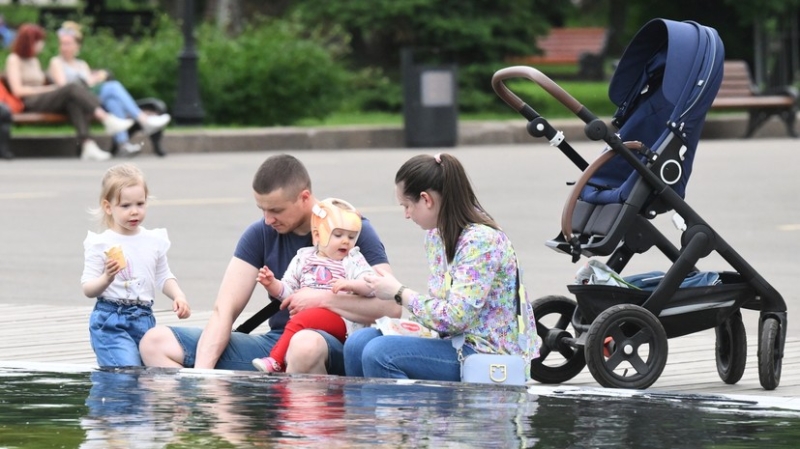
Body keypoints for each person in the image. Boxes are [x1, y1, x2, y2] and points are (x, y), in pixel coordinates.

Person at [139, 154, 400, 374]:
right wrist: (203, 378)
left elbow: (392, 306)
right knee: (155, 342)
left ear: (304, 197)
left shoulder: (350, 231)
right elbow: (223, 311)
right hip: (277, 345)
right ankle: (211, 407)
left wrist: (322, 299)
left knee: (304, 344)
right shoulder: (260, 234)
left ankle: (307, 419)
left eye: (275, 210)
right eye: (262, 209)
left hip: (337, 342)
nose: (267, 220)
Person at [344, 153, 540, 381]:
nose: (406, 214)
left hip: (485, 353)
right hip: (452, 340)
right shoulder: (437, 235)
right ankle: (371, 406)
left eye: (407, 205)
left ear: (426, 200)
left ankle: (408, 405)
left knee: (379, 353)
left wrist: (399, 293)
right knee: (358, 343)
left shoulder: (480, 241)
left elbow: (456, 317)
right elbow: (442, 309)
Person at [81, 163, 191, 367]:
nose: (134, 212)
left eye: (140, 204)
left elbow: (163, 275)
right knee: (126, 370)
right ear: (108, 207)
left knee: (145, 376)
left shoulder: (153, 240)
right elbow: (88, 288)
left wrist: (178, 295)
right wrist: (106, 278)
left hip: (144, 319)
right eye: (125, 206)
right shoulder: (100, 243)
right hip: (111, 320)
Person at [251, 197, 375, 373]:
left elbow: (371, 286)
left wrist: (351, 285)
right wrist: (272, 284)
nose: (346, 241)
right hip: (308, 320)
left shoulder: (353, 259)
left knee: (301, 320)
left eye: (351, 236)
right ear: (317, 235)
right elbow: (289, 294)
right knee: (301, 323)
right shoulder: (303, 258)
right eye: (338, 235)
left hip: (340, 320)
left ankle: (276, 360)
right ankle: (287, 377)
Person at [4, 23, 134, 161]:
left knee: (73, 101)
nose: (42, 44)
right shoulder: (14, 59)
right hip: (30, 102)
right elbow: (18, 91)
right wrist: (49, 89)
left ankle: (87, 145)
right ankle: (105, 118)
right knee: (71, 87)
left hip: (44, 98)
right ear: (30, 41)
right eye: (39, 41)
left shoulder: (34, 60)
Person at [48, 21, 171, 157]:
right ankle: (143, 119)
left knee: (113, 101)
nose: (64, 47)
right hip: (73, 101)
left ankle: (123, 145)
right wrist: (91, 80)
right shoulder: (56, 62)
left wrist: (97, 78)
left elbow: (89, 84)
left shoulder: (82, 64)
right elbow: (64, 87)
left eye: (68, 44)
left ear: (77, 46)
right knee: (113, 87)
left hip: (91, 100)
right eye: (62, 44)